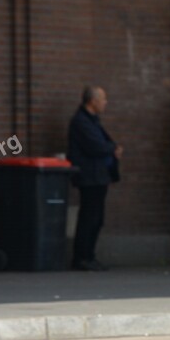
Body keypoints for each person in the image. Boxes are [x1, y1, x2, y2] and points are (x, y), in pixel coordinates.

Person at [68, 86, 122, 272]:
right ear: (93, 101)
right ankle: (82, 257)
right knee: (89, 217)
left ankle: (88, 256)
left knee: (96, 218)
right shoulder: (82, 122)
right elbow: (95, 146)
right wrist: (112, 149)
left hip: (98, 176)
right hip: (90, 176)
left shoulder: (92, 121)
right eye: (103, 99)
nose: (106, 103)